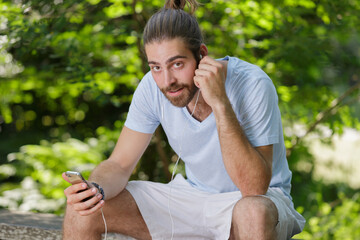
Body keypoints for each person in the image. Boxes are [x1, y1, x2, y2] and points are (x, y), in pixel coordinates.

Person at [62, 0, 305, 239]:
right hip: (193, 198)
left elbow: (254, 188)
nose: (167, 80)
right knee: (83, 211)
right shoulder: (151, 87)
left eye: (177, 64)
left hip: (258, 201)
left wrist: (220, 103)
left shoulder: (252, 84)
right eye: (156, 67)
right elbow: (119, 165)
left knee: (253, 211)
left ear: (202, 55)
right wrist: (96, 190)